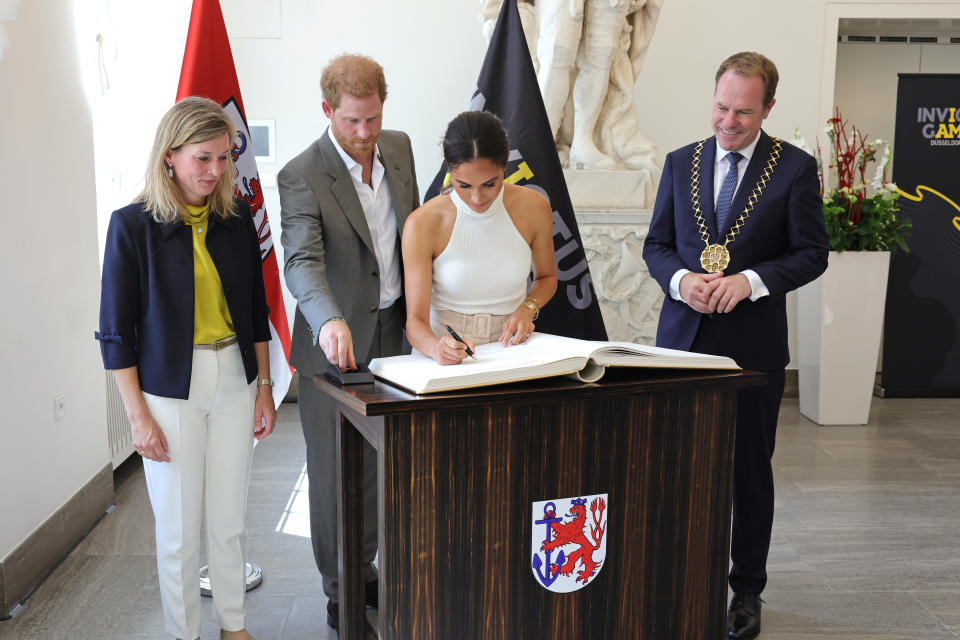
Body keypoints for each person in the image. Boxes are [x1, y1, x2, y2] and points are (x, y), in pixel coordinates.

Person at [642, 52, 829, 640]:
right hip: (682, 344)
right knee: (674, 469)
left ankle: (746, 591)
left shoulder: (796, 169)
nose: (729, 121)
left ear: (769, 107)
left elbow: (811, 254)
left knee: (748, 473)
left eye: (743, 112)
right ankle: (674, 580)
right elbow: (656, 246)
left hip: (753, 350)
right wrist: (681, 280)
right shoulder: (679, 163)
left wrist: (749, 282)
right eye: (721, 107)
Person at [97, 96, 277, 640]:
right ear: (169, 156)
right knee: (177, 531)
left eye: (224, 158)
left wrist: (264, 387)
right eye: (203, 158)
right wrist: (137, 418)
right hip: (170, 391)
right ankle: (186, 633)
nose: (216, 171)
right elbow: (114, 333)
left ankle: (233, 626)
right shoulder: (131, 226)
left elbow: (255, 310)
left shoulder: (235, 219)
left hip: (235, 379)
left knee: (229, 521)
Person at [278, 54, 418, 638]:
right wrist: (327, 318)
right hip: (332, 344)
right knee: (337, 473)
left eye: (373, 119)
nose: (364, 135)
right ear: (327, 110)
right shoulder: (301, 174)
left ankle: (371, 570)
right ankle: (342, 588)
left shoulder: (402, 148)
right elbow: (303, 261)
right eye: (351, 122)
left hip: (397, 333)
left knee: (389, 464)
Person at [402, 110, 557, 362]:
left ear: (506, 162)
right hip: (442, 354)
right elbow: (415, 323)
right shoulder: (422, 223)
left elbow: (547, 277)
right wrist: (435, 349)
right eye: (464, 185)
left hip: (513, 348)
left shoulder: (534, 207)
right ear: (450, 168)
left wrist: (528, 309)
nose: (477, 198)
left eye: (489, 184)